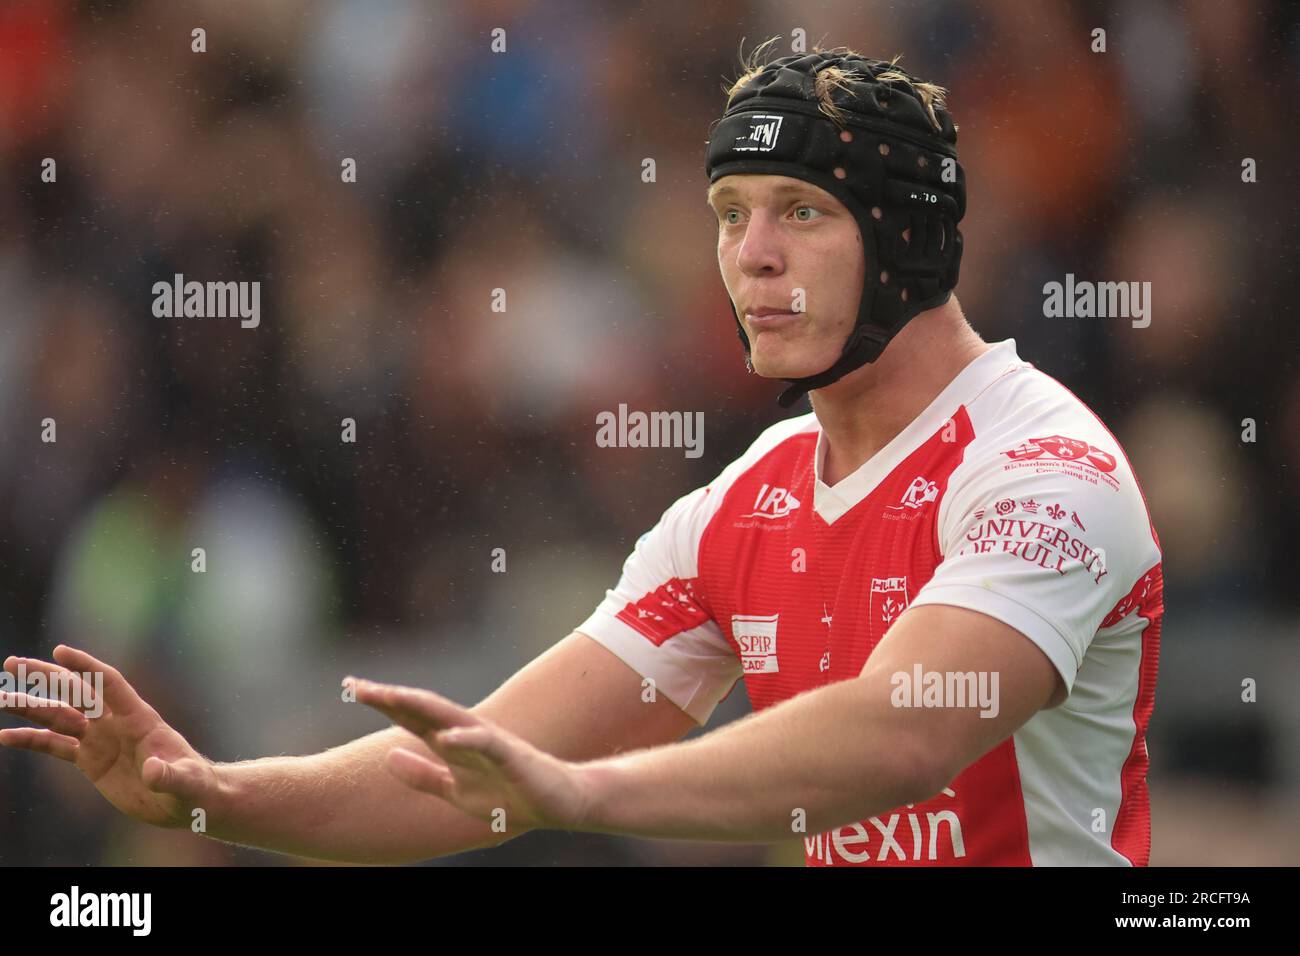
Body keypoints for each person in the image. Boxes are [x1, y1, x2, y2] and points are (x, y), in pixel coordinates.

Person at [0, 45, 1162, 866]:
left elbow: (905, 731)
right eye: (728, 211)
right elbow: (473, 778)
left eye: (799, 209)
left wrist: (583, 791)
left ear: (911, 235)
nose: (750, 255)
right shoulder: (736, 509)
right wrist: (205, 793)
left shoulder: (1047, 467)